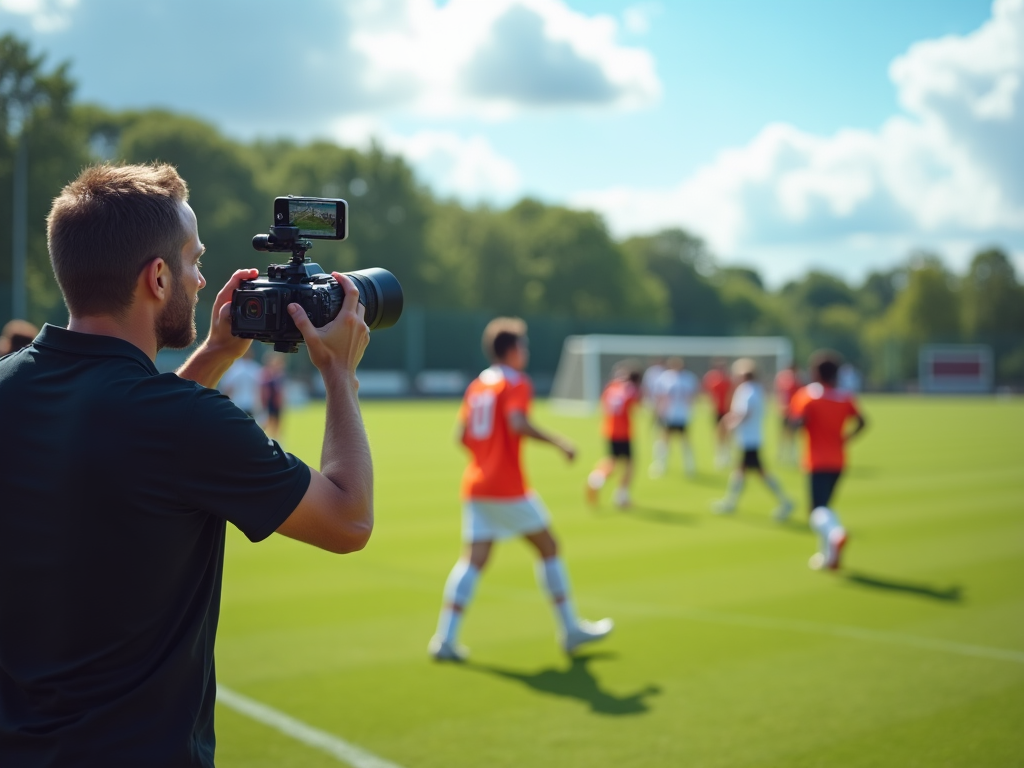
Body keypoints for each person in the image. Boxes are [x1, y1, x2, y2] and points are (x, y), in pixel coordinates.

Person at [0, 163, 375, 767]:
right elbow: (349, 518)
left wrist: (214, 354)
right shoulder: (186, 423)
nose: (202, 280)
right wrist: (340, 373)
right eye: (194, 261)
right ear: (156, 278)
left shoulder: (11, 387)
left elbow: (124, 430)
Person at [430, 317, 613, 661]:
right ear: (512, 350)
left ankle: (445, 639)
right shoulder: (515, 383)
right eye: (524, 345)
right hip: (507, 487)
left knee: (472, 562)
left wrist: (487, 455)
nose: (526, 352)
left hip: (476, 483)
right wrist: (559, 442)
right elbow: (517, 422)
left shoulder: (478, 385)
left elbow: (462, 436)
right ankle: (570, 629)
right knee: (549, 547)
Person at [788, 350, 867, 571]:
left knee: (816, 511)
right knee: (826, 507)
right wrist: (846, 439)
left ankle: (836, 534)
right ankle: (828, 557)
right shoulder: (845, 397)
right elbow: (863, 422)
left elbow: (796, 423)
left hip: (816, 460)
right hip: (839, 460)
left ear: (815, 372)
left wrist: (792, 421)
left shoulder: (808, 396)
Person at [713, 359, 793, 520]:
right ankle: (731, 501)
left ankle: (785, 501)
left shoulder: (746, 390)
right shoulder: (755, 389)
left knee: (760, 473)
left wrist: (729, 425)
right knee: (741, 472)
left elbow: (744, 413)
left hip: (749, 439)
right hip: (751, 437)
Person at [586, 362, 642, 508]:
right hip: (623, 432)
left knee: (612, 461)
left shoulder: (611, 387)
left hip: (609, 429)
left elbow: (604, 406)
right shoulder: (630, 390)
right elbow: (635, 407)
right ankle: (621, 496)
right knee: (629, 465)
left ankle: (595, 479)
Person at [650, 357, 699, 477]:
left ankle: (689, 466)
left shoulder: (689, 377)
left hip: (683, 414)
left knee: (685, 441)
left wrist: (690, 408)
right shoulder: (665, 377)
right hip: (668, 414)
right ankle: (661, 464)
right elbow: (659, 395)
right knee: (664, 440)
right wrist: (658, 411)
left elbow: (694, 395)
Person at [702, 357, 734, 469]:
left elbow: (731, 394)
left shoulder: (728, 379)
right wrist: (710, 406)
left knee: (728, 433)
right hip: (717, 410)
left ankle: (727, 455)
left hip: (727, 410)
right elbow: (709, 395)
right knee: (718, 433)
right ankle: (720, 455)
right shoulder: (712, 379)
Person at [218, 345, 263, 418]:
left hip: (237, 403)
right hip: (250, 404)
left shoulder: (233, 368)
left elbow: (227, 388)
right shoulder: (256, 368)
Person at [774, 361, 802, 465]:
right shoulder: (784, 381)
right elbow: (781, 395)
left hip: (793, 411)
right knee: (782, 433)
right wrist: (780, 406)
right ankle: (781, 453)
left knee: (792, 434)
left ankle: (792, 455)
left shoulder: (798, 382)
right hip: (785, 411)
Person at [261, 350, 288, 439]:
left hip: (276, 403)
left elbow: (281, 391)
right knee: (268, 423)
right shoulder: (266, 374)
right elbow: (263, 390)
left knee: (277, 424)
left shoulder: (279, 374)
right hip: (269, 402)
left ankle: (276, 440)